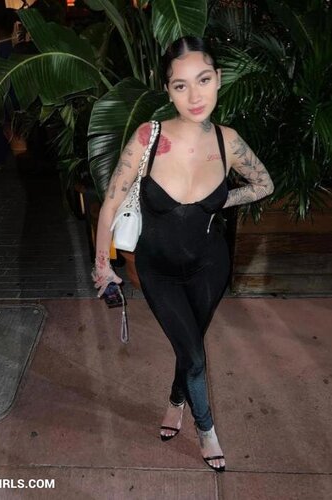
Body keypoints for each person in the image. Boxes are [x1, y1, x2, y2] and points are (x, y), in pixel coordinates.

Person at [92, 36, 274, 472]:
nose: (195, 96)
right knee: (193, 354)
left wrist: (220, 200)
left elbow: (264, 185)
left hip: (210, 267)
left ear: (219, 80)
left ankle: (176, 400)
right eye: (180, 85)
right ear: (168, 90)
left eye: (203, 80)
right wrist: (103, 266)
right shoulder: (148, 137)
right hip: (158, 271)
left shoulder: (229, 142)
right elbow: (110, 204)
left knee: (189, 348)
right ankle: (206, 429)